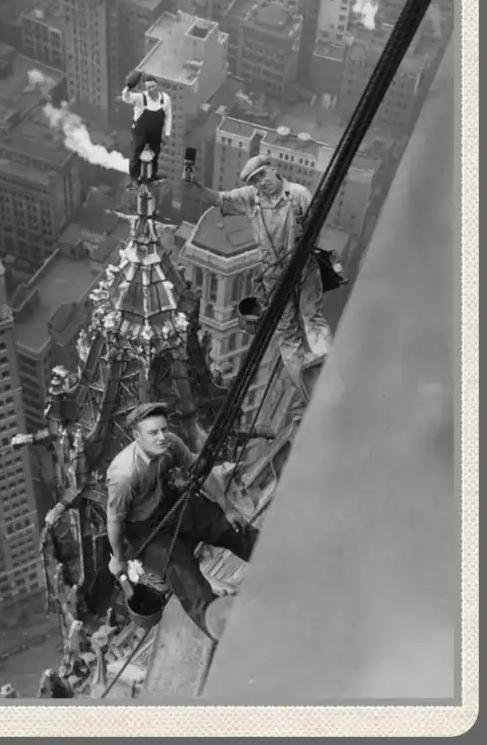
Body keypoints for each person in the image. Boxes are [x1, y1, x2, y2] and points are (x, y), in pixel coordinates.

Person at [186, 155, 332, 408]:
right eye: (255, 180)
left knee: (311, 317)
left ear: (273, 170)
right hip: (274, 276)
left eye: (262, 175)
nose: (261, 183)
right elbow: (219, 199)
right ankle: (309, 392)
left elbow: (314, 230)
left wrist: (299, 253)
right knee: (288, 335)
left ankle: (328, 372)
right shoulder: (251, 198)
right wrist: (194, 185)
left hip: (303, 269)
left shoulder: (298, 195)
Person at [106, 402, 258, 639]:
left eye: (164, 429)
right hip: (148, 530)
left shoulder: (171, 443)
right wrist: (118, 559)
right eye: (153, 433)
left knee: (232, 529)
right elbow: (115, 521)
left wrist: (227, 509)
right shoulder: (124, 474)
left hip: (173, 503)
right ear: (137, 436)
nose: (162, 437)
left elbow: (199, 470)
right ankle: (229, 636)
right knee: (189, 584)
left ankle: (277, 559)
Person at [121, 74, 172, 184]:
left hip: (156, 131)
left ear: (157, 85)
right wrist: (129, 87)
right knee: (136, 154)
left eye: (153, 86)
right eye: (148, 87)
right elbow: (125, 97)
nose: (151, 89)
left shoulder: (165, 99)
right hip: (140, 131)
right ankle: (134, 179)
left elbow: (168, 116)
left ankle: (152, 175)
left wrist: (167, 134)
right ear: (145, 88)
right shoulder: (140, 97)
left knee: (155, 153)